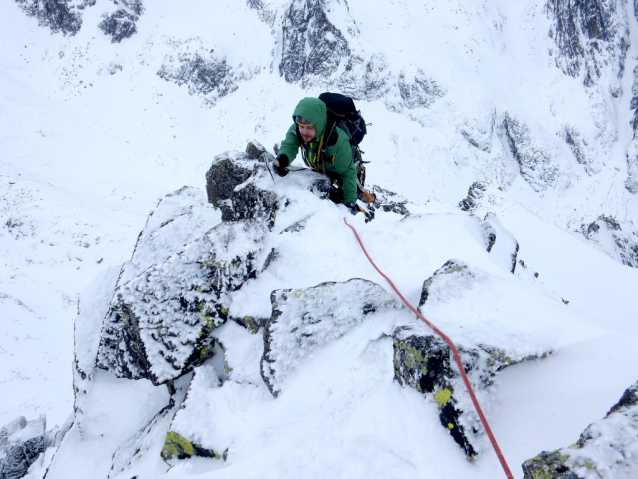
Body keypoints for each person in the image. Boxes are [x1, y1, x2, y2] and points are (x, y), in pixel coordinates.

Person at [272, 97, 360, 215]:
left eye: (309, 127)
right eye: (302, 126)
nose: (304, 131)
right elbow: (290, 145)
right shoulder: (298, 128)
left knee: (342, 200)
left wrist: (351, 203)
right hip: (321, 168)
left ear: (319, 124)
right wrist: (283, 159)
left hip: (341, 169)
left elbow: (348, 172)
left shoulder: (337, 141)